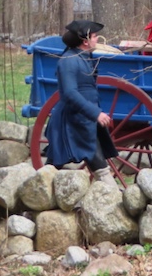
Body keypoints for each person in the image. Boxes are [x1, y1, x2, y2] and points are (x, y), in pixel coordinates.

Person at [46, 19, 115, 182]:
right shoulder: (69, 61)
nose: (97, 39)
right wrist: (96, 113)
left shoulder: (84, 57)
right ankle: (113, 197)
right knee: (59, 163)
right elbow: (70, 93)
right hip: (74, 119)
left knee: (93, 159)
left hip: (84, 119)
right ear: (85, 41)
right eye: (95, 36)